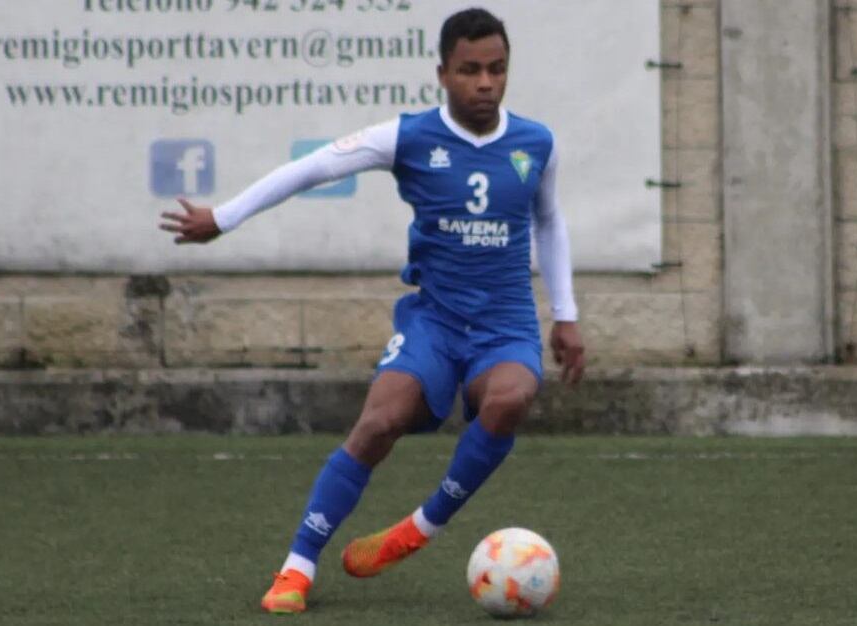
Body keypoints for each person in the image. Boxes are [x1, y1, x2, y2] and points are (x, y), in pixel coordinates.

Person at [159, 7, 585, 614]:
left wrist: (565, 314)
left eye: (497, 69)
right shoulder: (407, 137)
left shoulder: (536, 143)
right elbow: (312, 168)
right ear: (442, 73)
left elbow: (549, 220)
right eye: (470, 71)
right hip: (433, 323)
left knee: (510, 398)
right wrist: (223, 218)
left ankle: (419, 527)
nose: (485, 83)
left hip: (505, 327)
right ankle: (296, 567)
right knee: (378, 423)